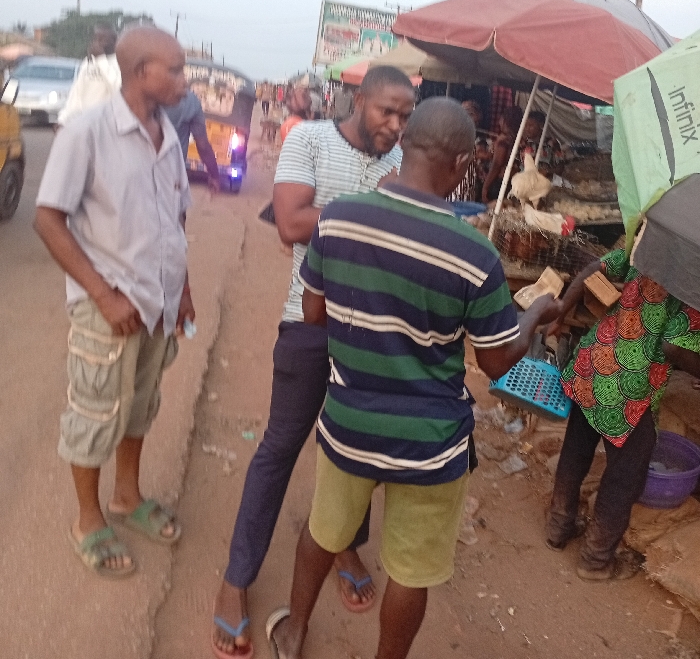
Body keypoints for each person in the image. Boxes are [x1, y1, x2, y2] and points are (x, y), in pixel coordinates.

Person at [266, 98, 562, 659]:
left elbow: (313, 312)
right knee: (410, 572)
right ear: (462, 163)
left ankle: (295, 629)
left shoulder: (339, 217)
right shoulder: (473, 254)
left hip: (349, 424)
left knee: (323, 532)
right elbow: (497, 363)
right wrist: (537, 313)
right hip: (430, 444)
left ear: (404, 145)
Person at [211, 66, 416, 659]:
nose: (395, 125)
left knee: (354, 448)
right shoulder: (310, 139)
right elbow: (292, 221)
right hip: (310, 322)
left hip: (372, 334)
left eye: (405, 116)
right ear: (359, 100)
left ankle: (346, 543)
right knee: (279, 448)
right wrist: (377, 214)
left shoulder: (402, 160)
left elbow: (400, 235)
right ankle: (236, 579)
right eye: (386, 111)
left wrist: (356, 219)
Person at [34, 26, 195, 578]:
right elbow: (48, 220)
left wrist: (183, 289)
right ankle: (88, 519)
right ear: (140, 71)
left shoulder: (167, 136)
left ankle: (128, 496)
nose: (185, 80)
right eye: (175, 69)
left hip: (156, 305)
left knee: (140, 404)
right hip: (108, 309)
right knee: (95, 412)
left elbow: (175, 218)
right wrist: (103, 296)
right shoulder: (88, 132)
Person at [545, 250, 700, 580]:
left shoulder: (650, 245)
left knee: (575, 450)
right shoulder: (695, 282)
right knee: (625, 477)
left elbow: (592, 268)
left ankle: (559, 526)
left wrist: (560, 316)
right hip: (629, 387)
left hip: (593, 361)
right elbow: (674, 347)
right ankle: (596, 559)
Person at [58, 23, 121, 126]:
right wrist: (63, 119)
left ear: (114, 42)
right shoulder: (88, 62)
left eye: (102, 40)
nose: (97, 43)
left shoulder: (119, 62)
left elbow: (117, 90)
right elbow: (77, 93)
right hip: (85, 121)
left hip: (106, 123)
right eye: (95, 39)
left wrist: (101, 60)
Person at [165, 88, 221, 192]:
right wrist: (214, 175)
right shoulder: (190, 101)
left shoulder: (141, 94)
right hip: (172, 176)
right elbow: (203, 146)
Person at [481, 105, 523, 203]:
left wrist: (485, 187)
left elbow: (497, 165)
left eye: (500, 119)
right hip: (513, 181)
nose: (499, 122)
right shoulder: (519, 139)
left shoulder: (503, 141)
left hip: (499, 182)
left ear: (505, 121)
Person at [519, 110, 563, 177]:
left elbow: (560, 168)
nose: (527, 129)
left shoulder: (552, 143)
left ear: (541, 125)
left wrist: (547, 172)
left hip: (545, 181)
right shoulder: (523, 144)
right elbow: (517, 166)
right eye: (526, 125)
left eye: (530, 125)